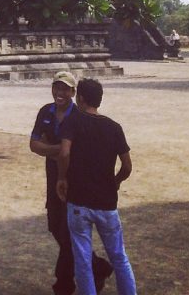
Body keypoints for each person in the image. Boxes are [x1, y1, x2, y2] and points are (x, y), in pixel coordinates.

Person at [30, 72, 113, 295]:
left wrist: (51, 148)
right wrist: (59, 150)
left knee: (67, 232)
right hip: (53, 177)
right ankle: (98, 266)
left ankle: (63, 283)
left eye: (65, 89)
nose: (60, 93)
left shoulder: (78, 116)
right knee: (55, 226)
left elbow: (74, 151)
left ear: (73, 93)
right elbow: (34, 144)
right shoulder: (45, 112)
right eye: (57, 87)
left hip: (72, 179)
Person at [57, 79, 137, 295]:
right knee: (119, 257)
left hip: (79, 201)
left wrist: (62, 178)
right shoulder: (114, 127)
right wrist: (115, 181)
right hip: (106, 202)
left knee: (82, 259)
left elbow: (64, 153)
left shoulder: (72, 122)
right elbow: (127, 166)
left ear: (80, 97)